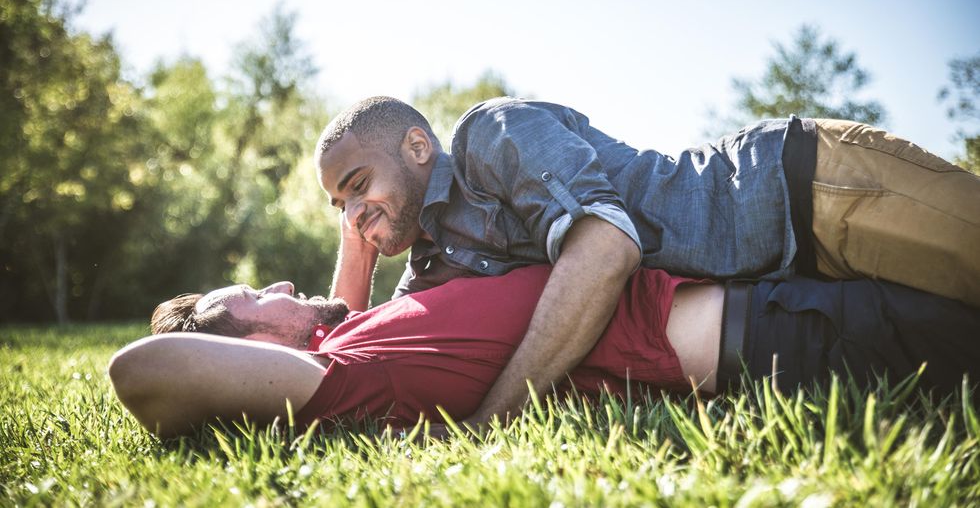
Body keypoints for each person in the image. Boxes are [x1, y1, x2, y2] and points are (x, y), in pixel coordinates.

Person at [312, 96, 980, 427]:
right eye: (340, 205)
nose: (355, 211)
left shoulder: (493, 135)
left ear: (418, 147)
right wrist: (359, 238)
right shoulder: (435, 265)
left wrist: (496, 419)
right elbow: (349, 340)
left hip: (805, 191)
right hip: (795, 290)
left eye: (360, 184)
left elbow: (607, 247)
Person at [109, 268, 980, 438]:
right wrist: (197, 326)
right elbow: (136, 370)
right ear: (248, 352)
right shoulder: (340, 382)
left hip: (784, 299)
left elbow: (331, 301)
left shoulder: (347, 333)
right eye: (252, 298)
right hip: (792, 339)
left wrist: (349, 264)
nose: (280, 288)